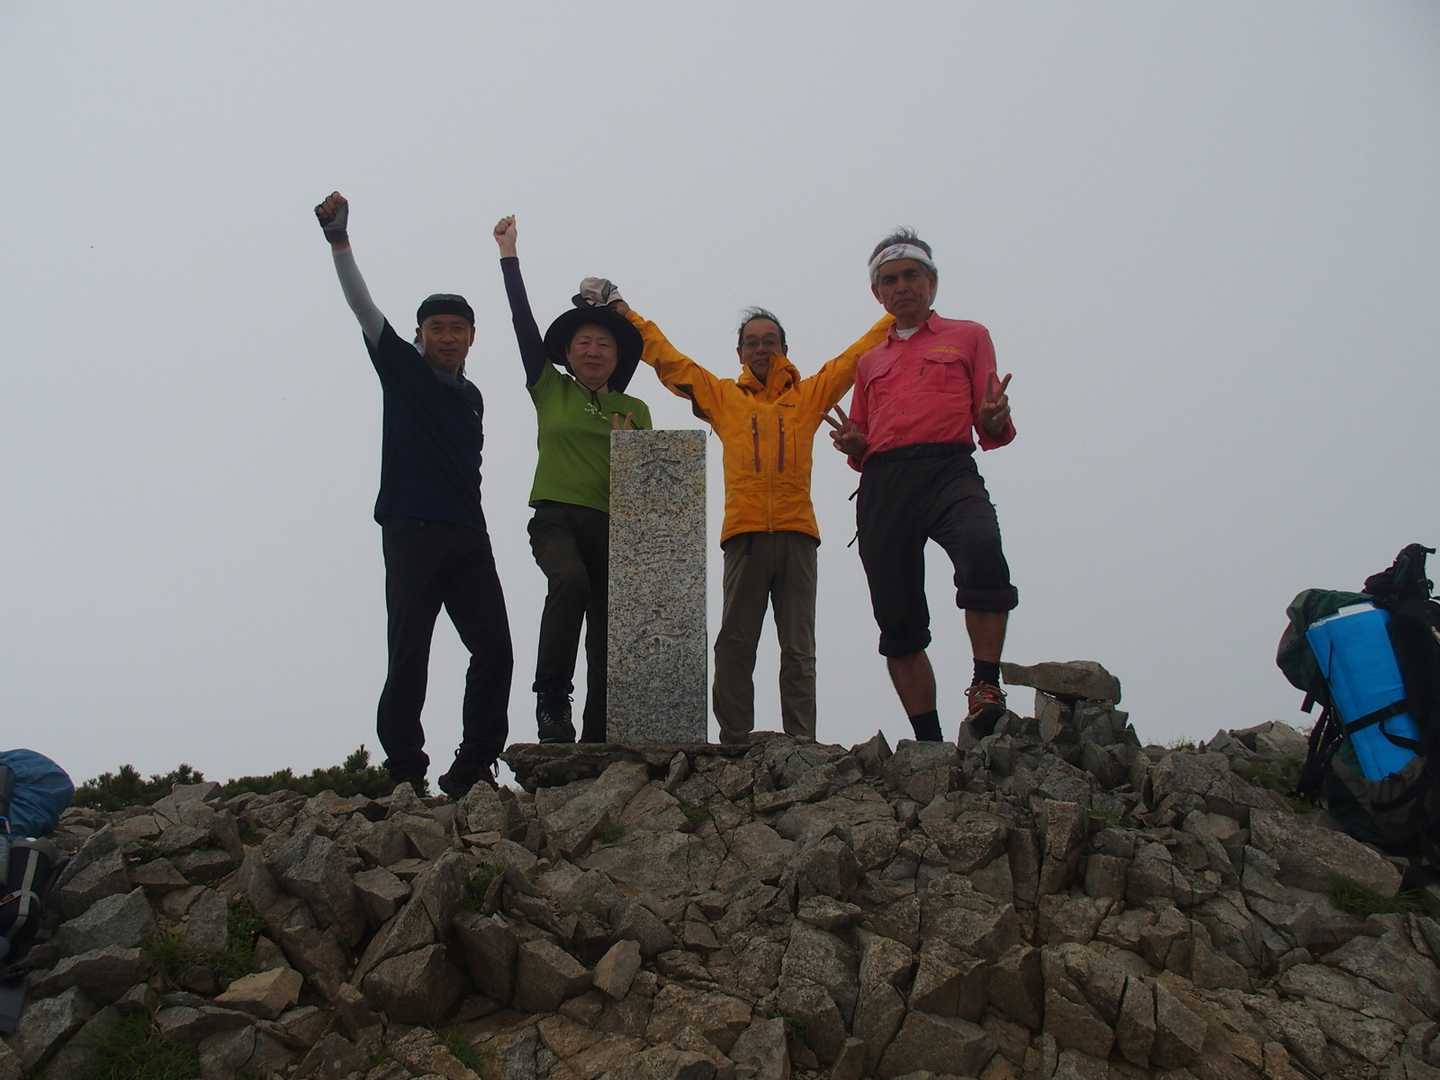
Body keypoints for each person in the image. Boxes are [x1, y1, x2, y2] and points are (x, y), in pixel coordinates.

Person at [572, 279, 891, 744]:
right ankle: (735, 739)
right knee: (735, 644)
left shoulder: (809, 396)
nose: (761, 349)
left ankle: (801, 741)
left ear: (784, 349)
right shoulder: (724, 398)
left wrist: (901, 309)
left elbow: (857, 354)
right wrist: (624, 312)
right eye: (752, 342)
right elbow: (667, 359)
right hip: (744, 537)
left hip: (798, 536)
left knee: (799, 648)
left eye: (770, 341)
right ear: (739, 352)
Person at [313, 192, 513, 797]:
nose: (447, 337)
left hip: (469, 536)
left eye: (458, 329)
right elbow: (363, 307)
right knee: (410, 652)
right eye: (436, 329)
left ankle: (474, 764)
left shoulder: (474, 397)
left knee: (495, 650)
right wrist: (340, 242)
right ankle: (404, 768)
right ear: (420, 334)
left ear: (473, 337)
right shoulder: (401, 367)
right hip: (411, 529)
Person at [826, 227, 1018, 743]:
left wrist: (994, 416)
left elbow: (991, 420)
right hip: (885, 483)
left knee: (982, 549)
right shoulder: (870, 361)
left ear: (932, 282)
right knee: (897, 615)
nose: (902, 286)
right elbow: (863, 436)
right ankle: (929, 742)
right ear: (877, 293)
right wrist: (855, 444)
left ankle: (986, 685)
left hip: (949, 467)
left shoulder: (969, 336)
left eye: (912, 275)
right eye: (889, 280)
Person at [493, 216, 652, 744]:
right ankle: (551, 702)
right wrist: (509, 257)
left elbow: (650, 486)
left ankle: (600, 727)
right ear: (567, 351)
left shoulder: (635, 409)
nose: (593, 350)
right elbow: (523, 324)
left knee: (608, 622)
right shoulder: (550, 387)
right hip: (555, 516)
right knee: (570, 583)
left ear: (618, 357)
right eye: (584, 341)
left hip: (613, 526)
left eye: (604, 344)